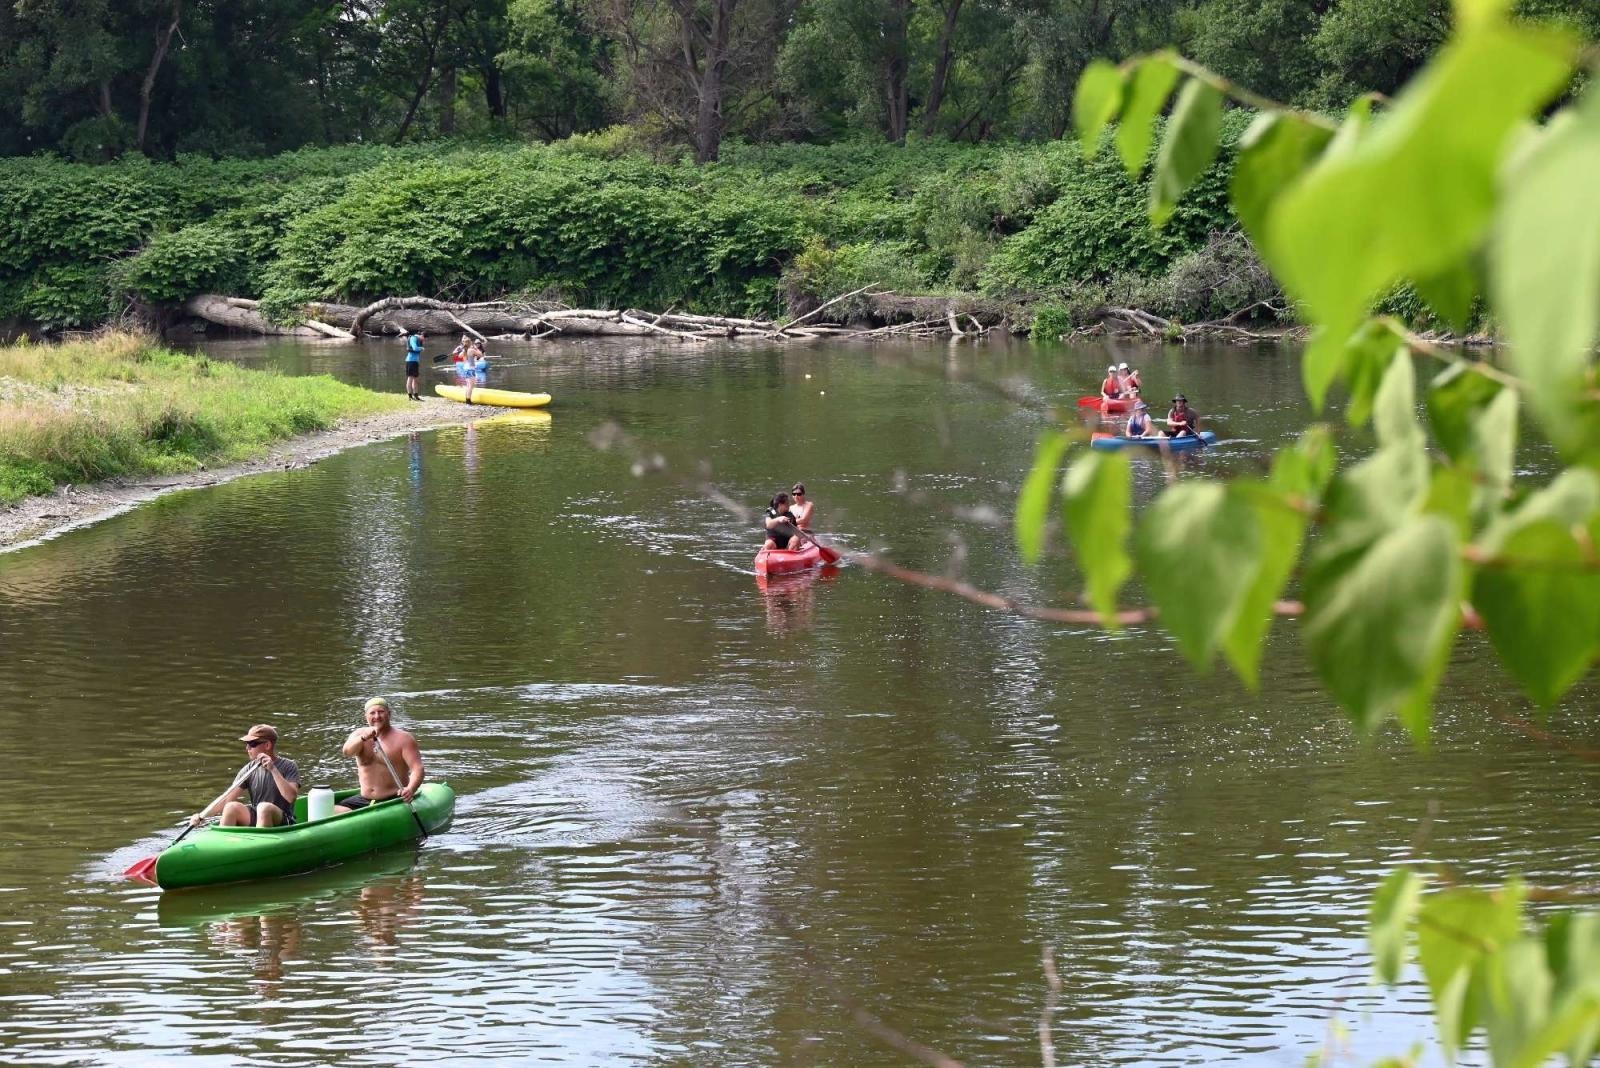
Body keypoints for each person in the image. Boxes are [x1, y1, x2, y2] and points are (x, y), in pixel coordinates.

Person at [189, 724, 300, 828]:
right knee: (231, 807)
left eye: (252, 744)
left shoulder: (289, 766)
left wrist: (273, 769)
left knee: (264, 807)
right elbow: (227, 798)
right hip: (258, 816)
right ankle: (225, 843)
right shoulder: (248, 769)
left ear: (267, 745)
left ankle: (259, 844)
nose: (247, 748)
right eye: (247, 744)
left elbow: (291, 797)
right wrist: (201, 816)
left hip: (283, 821)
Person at [335, 697, 425, 811]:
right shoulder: (358, 735)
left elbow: (417, 768)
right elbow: (347, 752)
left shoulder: (404, 738)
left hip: (393, 798)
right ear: (366, 716)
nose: (377, 716)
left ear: (389, 714)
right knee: (330, 810)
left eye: (381, 712)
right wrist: (363, 738)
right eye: (372, 713)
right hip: (364, 799)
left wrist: (410, 789)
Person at [404, 330, 425, 401]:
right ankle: (410, 396)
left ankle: (416, 395)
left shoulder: (419, 339)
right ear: (420, 335)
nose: (424, 339)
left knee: (415, 379)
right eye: (424, 337)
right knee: (410, 378)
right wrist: (422, 348)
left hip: (415, 361)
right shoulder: (413, 338)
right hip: (410, 361)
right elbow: (415, 348)